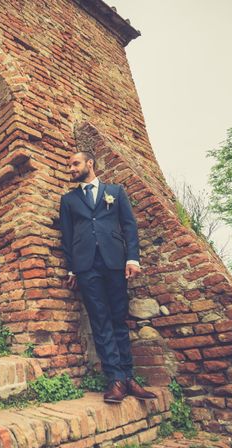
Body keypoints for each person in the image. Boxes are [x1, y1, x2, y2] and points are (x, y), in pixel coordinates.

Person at [59, 151, 156, 403]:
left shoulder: (116, 191)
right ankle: (115, 379)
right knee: (100, 322)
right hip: (86, 266)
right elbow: (67, 237)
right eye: (69, 165)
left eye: (75, 163)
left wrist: (132, 258)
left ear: (89, 163)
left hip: (115, 262)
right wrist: (72, 268)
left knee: (118, 319)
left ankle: (128, 377)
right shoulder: (68, 200)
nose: (71, 168)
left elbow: (129, 226)